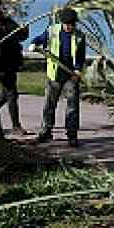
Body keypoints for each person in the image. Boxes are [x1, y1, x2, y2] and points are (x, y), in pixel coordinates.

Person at [30, 8, 86, 147]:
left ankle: (72, 135)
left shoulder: (79, 36)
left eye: (72, 24)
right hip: (54, 74)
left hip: (70, 75)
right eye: (67, 24)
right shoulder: (52, 31)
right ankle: (45, 132)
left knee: (72, 105)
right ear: (62, 23)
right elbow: (39, 39)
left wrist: (78, 71)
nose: (69, 27)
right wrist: (33, 44)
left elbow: (80, 56)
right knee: (49, 104)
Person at [0, 3, 28, 135]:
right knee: (10, 93)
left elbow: (21, 37)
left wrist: (24, 30)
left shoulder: (9, 22)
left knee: (9, 94)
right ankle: (15, 125)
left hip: (10, 64)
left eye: (0, 9)